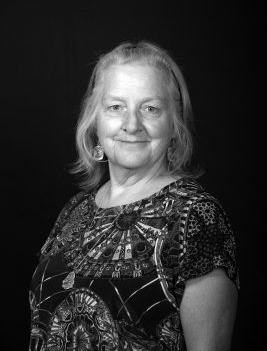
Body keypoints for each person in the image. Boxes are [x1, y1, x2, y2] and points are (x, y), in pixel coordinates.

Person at [29, 41, 239, 350]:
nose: (131, 124)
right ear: (95, 122)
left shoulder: (196, 215)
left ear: (174, 125)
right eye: (116, 107)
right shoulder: (75, 210)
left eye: (150, 109)